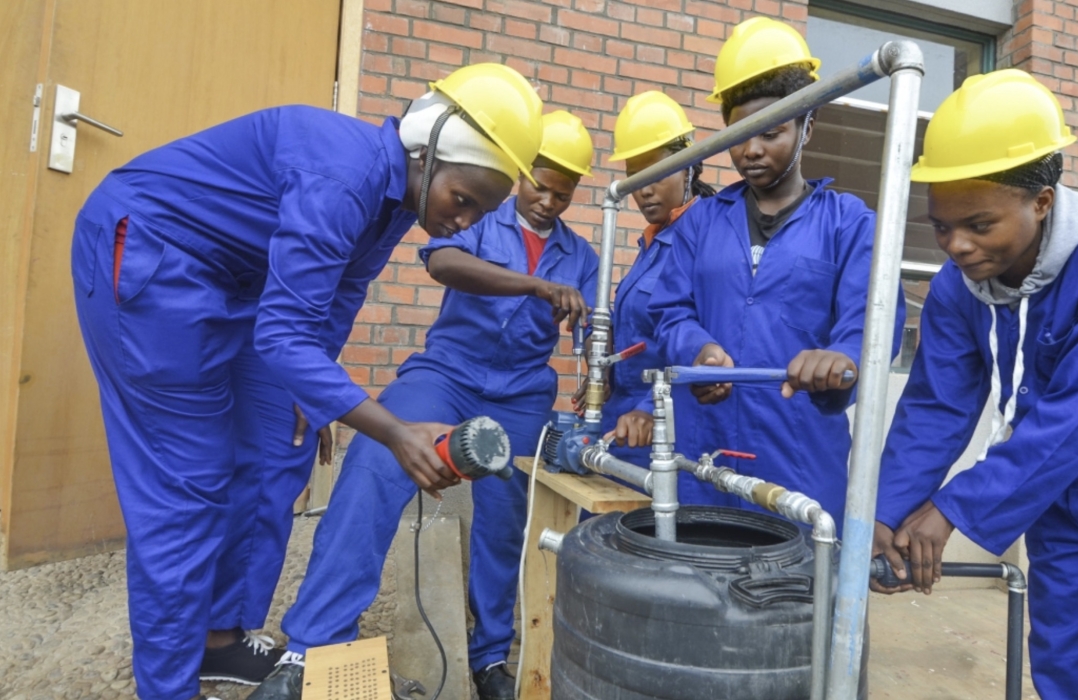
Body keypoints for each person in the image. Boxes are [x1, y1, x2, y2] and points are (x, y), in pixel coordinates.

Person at [70, 63, 543, 700]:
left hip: (238, 285)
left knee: (279, 443)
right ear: (427, 152)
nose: (464, 223)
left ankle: (220, 638)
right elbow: (284, 335)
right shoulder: (342, 174)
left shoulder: (398, 201)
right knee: (188, 487)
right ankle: (167, 686)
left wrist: (314, 393)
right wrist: (393, 431)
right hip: (155, 255)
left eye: (481, 212)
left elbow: (341, 293)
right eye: (462, 200)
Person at [871, 69, 1078, 698]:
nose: (958, 245)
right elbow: (937, 407)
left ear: (1042, 201)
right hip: (1064, 499)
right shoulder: (955, 290)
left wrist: (953, 507)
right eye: (941, 227)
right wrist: (885, 515)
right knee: (1071, 673)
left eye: (979, 224)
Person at [250, 111, 598, 700]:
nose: (547, 202)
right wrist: (535, 285)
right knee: (374, 465)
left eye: (562, 195)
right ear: (519, 176)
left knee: (506, 520)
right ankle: (310, 649)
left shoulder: (581, 255)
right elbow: (443, 263)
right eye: (540, 184)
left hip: (521, 391)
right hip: (446, 372)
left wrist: (593, 363)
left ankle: (490, 658)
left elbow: (589, 329)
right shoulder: (482, 217)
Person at [649, 17, 903, 526]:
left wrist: (839, 360)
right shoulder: (701, 222)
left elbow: (872, 324)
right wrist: (695, 349)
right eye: (740, 135)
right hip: (706, 458)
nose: (752, 150)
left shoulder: (850, 224)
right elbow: (669, 311)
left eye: (772, 131)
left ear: (808, 126)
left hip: (802, 465)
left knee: (797, 598)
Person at [576, 90, 716, 463]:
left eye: (658, 172)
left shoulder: (706, 239)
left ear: (690, 166)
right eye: (634, 177)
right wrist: (601, 366)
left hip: (664, 429)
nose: (645, 189)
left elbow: (705, 346)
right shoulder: (653, 242)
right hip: (622, 422)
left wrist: (645, 408)